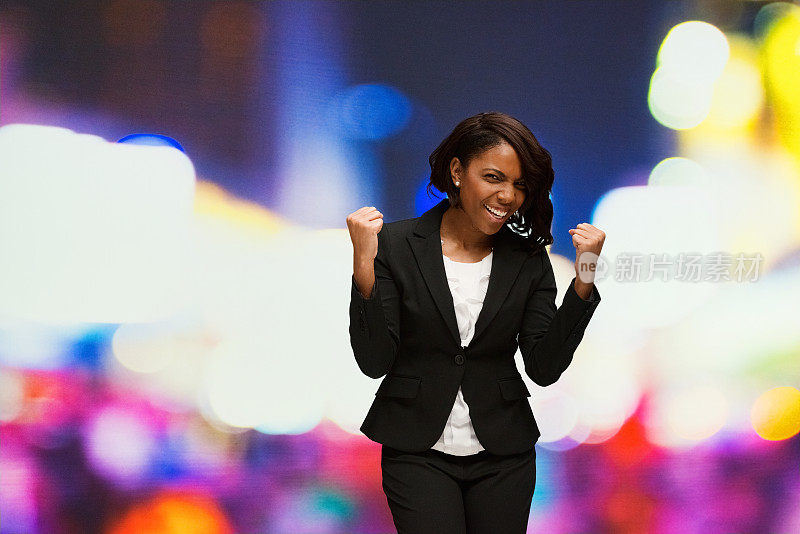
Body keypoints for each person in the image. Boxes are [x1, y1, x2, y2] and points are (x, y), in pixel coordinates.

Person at [346, 111, 605, 534]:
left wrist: (585, 277)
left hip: (504, 455)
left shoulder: (529, 258)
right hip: (416, 450)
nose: (507, 195)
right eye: (493, 177)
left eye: (519, 185)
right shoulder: (391, 245)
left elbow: (543, 367)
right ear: (457, 172)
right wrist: (363, 263)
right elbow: (375, 360)